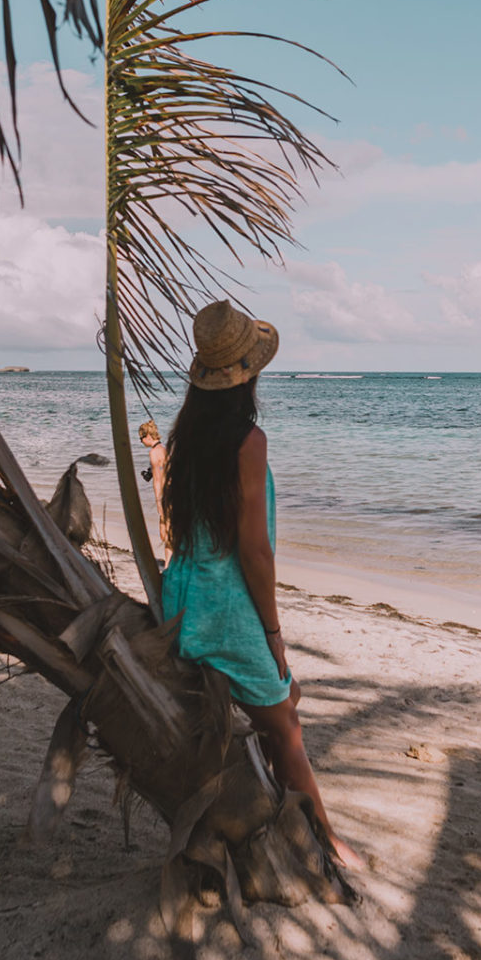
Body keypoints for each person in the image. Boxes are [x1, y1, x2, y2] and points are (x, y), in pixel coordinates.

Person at [160, 300, 360, 870]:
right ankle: (324, 840)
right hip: (224, 608)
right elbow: (254, 550)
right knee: (286, 724)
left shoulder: (186, 436)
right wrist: (272, 631)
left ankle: (279, 811)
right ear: (248, 376)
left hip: (182, 598)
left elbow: (183, 528)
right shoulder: (248, 442)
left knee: (286, 699)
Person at [137, 418, 172, 554]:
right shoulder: (164, 449)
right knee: (165, 530)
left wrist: (158, 501)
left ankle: (170, 563)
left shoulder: (153, 453)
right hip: (173, 491)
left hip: (165, 494)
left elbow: (157, 480)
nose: (141, 442)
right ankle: (171, 561)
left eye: (141, 438)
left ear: (148, 436)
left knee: (166, 531)